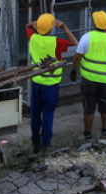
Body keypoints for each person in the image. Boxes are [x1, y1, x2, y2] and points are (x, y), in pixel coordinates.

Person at [26, 13, 78, 154]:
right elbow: (74, 42)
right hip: (51, 84)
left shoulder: (33, 37)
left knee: (35, 113)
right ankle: (46, 143)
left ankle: (35, 141)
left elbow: (27, 26)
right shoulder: (55, 42)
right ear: (50, 29)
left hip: (36, 81)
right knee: (48, 114)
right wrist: (64, 27)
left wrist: (35, 24)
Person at [71, 10, 106, 141]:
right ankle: (105, 131)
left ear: (94, 23)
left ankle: (87, 134)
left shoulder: (87, 37)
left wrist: (73, 71)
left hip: (90, 80)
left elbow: (77, 57)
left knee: (89, 107)